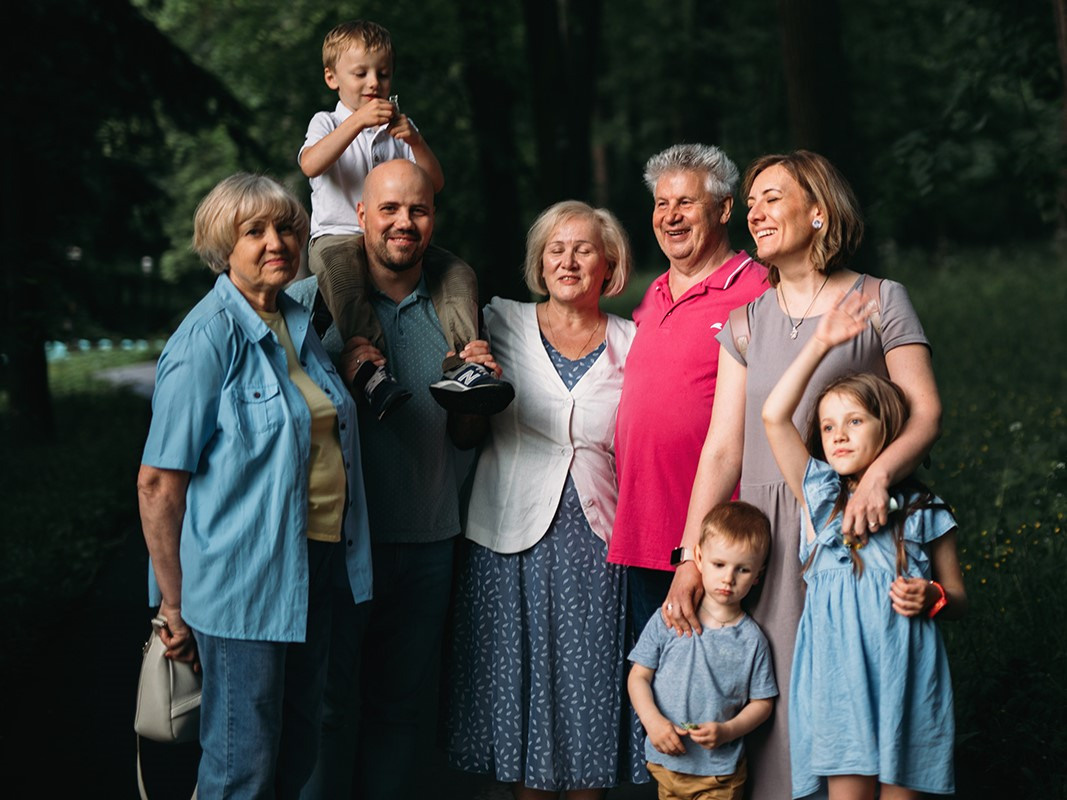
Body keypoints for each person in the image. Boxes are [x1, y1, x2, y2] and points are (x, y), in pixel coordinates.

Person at [665, 150, 943, 798]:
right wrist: (688, 558)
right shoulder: (744, 323)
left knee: (854, 704)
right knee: (774, 703)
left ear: (817, 212)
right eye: (751, 202)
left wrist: (877, 480)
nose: (754, 212)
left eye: (771, 198)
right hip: (761, 537)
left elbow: (924, 412)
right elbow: (721, 451)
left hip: (849, 530)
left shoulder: (880, 298)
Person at [136, 173, 372, 797]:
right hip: (243, 581)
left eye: (288, 228)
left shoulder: (296, 319)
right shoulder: (207, 338)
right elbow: (158, 484)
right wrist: (172, 604)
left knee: (297, 750)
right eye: (256, 231)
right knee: (242, 763)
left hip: (317, 562)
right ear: (224, 245)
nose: (278, 241)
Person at [289, 159, 497, 800]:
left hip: (430, 541)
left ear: (433, 220)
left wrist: (475, 392)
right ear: (359, 217)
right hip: (338, 544)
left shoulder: (458, 311)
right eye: (389, 209)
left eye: (418, 210)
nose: (404, 223)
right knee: (325, 712)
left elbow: (467, 439)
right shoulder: (309, 311)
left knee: (399, 713)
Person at [447, 201, 645, 799]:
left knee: (588, 699)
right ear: (538, 260)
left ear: (608, 264)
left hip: (597, 543)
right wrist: (468, 384)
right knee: (521, 702)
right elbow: (461, 434)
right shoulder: (497, 321)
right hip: (507, 540)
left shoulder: (635, 342)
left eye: (584, 249)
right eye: (556, 249)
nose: (568, 260)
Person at [762, 296, 967, 798]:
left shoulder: (925, 510)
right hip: (838, 685)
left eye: (855, 421)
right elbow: (772, 415)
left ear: (889, 428)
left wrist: (933, 596)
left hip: (909, 679)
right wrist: (821, 344)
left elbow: (958, 599)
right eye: (829, 427)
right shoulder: (820, 498)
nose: (838, 436)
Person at [299, 19, 511, 418]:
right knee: (345, 284)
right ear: (332, 78)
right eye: (360, 73)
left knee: (457, 272)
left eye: (382, 73)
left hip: (399, 240)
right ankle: (372, 371)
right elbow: (311, 164)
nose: (373, 82)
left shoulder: (399, 128)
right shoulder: (326, 123)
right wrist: (356, 122)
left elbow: (436, 181)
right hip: (339, 236)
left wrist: (413, 138)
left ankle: (465, 364)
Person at [607, 144, 768, 632]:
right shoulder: (651, 296)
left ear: (723, 209)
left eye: (686, 203)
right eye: (661, 203)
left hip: (722, 550)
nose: (670, 217)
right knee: (652, 695)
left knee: (717, 696)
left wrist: (697, 554)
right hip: (643, 534)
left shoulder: (760, 291)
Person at [629, 501, 778, 800]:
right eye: (719, 564)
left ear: (758, 575)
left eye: (743, 569)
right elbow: (638, 678)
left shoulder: (752, 640)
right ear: (698, 557)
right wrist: (653, 722)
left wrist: (728, 731)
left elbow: (763, 704)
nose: (728, 578)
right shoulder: (668, 618)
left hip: (719, 775)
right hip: (667, 765)